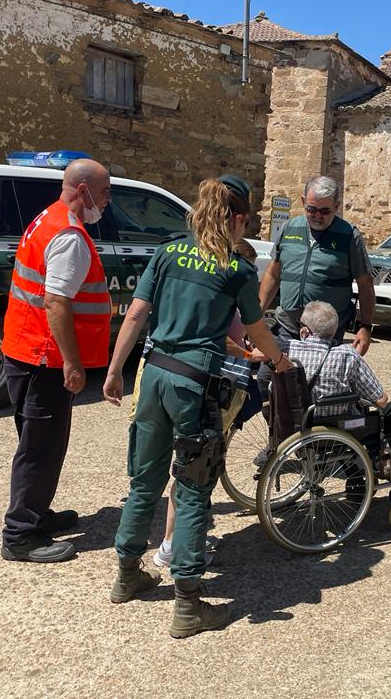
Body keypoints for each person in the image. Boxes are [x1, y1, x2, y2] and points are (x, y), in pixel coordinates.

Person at [102, 175, 289, 639]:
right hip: (194, 385)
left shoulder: (167, 253)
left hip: (154, 376)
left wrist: (114, 369)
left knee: (143, 481)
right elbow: (256, 330)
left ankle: (127, 575)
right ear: (238, 218)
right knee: (191, 487)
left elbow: (136, 313)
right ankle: (187, 604)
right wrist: (280, 361)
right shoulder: (236, 269)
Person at [0, 158, 112, 563]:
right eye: (104, 192)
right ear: (83, 190)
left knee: (38, 443)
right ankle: (20, 535)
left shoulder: (47, 218)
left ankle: (37, 512)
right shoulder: (70, 236)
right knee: (40, 448)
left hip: (24, 349)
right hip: (43, 358)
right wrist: (73, 363)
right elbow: (56, 302)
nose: (107, 200)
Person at [147, 239, 266, 570]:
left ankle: (179, 541)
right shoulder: (226, 290)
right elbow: (220, 338)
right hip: (217, 387)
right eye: (250, 269)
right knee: (196, 468)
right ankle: (174, 546)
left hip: (209, 384)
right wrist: (250, 353)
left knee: (193, 465)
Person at [287, 300, 391, 495]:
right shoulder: (346, 355)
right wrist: (354, 363)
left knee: (358, 413)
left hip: (298, 424)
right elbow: (381, 400)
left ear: (304, 331)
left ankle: (363, 475)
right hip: (338, 427)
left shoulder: (289, 351)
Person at [259, 175, 376, 355]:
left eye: (325, 211)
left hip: (326, 333)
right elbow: (273, 275)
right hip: (286, 326)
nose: (317, 216)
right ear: (303, 201)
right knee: (269, 370)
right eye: (311, 209)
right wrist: (257, 314)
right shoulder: (289, 228)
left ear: (336, 206)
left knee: (317, 374)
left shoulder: (349, 236)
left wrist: (366, 327)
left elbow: (365, 284)